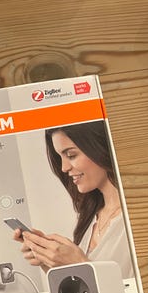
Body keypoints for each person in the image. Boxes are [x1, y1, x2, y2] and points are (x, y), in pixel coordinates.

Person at [13, 120, 134, 279]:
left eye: (71, 155)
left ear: (100, 146)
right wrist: (51, 263)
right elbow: (86, 287)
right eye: (61, 157)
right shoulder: (91, 217)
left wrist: (81, 264)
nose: (64, 167)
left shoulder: (136, 217)